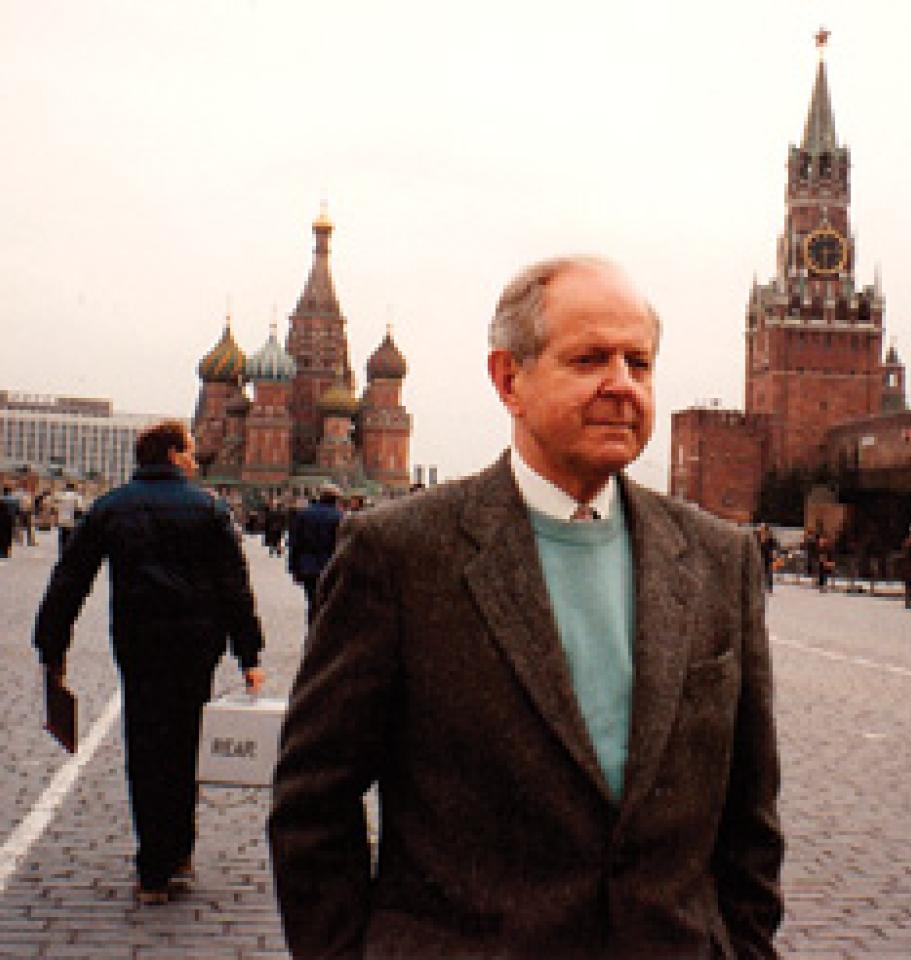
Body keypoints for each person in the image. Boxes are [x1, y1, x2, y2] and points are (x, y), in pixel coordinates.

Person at [269, 256, 783, 959]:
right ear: (509, 379)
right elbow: (312, 805)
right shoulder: (400, 553)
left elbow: (749, 818)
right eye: (589, 359)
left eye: (639, 362)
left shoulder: (719, 560)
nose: (621, 385)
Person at [32, 420, 265, 905]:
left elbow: (69, 580)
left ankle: (153, 866)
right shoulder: (209, 509)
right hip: (196, 646)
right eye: (192, 451)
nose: (196, 459)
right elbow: (234, 586)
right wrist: (249, 654)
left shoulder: (112, 507)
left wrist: (52, 649)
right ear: (175, 455)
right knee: (186, 742)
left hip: (139, 643)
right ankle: (178, 848)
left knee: (145, 745)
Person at [286, 483, 343, 620]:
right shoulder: (340, 517)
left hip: (308, 566)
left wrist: (293, 567)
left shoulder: (303, 515)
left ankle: (313, 629)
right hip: (330, 566)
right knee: (329, 602)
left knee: (312, 599)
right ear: (335, 499)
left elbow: (295, 543)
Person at [51, 482, 84, 555]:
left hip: (62, 520)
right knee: (71, 540)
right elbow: (79, 509)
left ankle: (62, 555)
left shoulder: (61, 496)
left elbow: (54, 508)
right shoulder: (77, 496)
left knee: (62, 539)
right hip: (72, 521)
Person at [756, 522, 777, 592]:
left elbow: (774, 546)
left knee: (768, 572)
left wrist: (774, 555)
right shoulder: (758, 536)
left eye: (762, 527)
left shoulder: (770, 537)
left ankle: (769, 587)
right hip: (760, 556)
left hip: (768, 556)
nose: (760, 529)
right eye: (760, 527)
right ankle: (760, 587)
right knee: (760, 571)